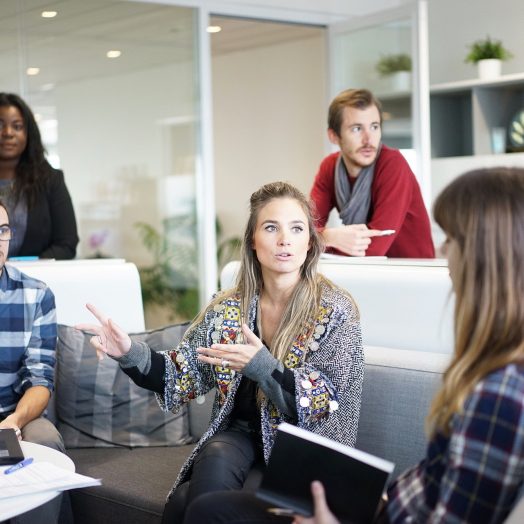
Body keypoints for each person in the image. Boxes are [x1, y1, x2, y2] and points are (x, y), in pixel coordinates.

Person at [77, 181, 364, 524]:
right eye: (271, 227)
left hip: (303, 451)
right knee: (213, 457)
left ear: (309, 243)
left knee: (186, 502)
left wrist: (261, 366)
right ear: (253, 243)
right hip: (240, 436)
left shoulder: (335, 310)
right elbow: (180, 374)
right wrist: (127, 351)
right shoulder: (229, 308)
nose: (285, 239)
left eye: (296, 228)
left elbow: (322, 401)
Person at [292, 167, 524, 523]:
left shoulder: (501, 396)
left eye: (453, 239)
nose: (444, 253)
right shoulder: (495, 378)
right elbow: (434, 485)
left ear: (485, 257)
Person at [0, 200, 67, 523]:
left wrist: (14, 420)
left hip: (16, 415)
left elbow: (40, 380)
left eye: (2, 231)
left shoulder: (36, 294)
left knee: (46, 440)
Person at [310, 88, 434, 258]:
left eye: (374, 127)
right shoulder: (329, 167)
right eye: (356, 129)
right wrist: (328, 236)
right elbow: (303, 231)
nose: (369, 139)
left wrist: (321, 239)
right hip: (367, 273)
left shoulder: (393, 164)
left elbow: (374, 249)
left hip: (412, 274)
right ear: (334, 136)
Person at [0, 92, 78, 259]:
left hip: (34, 280)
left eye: (17, 126)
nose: (8, 133)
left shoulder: (50, 181)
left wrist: (26, 270)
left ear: (28, 134)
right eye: (0, 125)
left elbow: (66, 244)